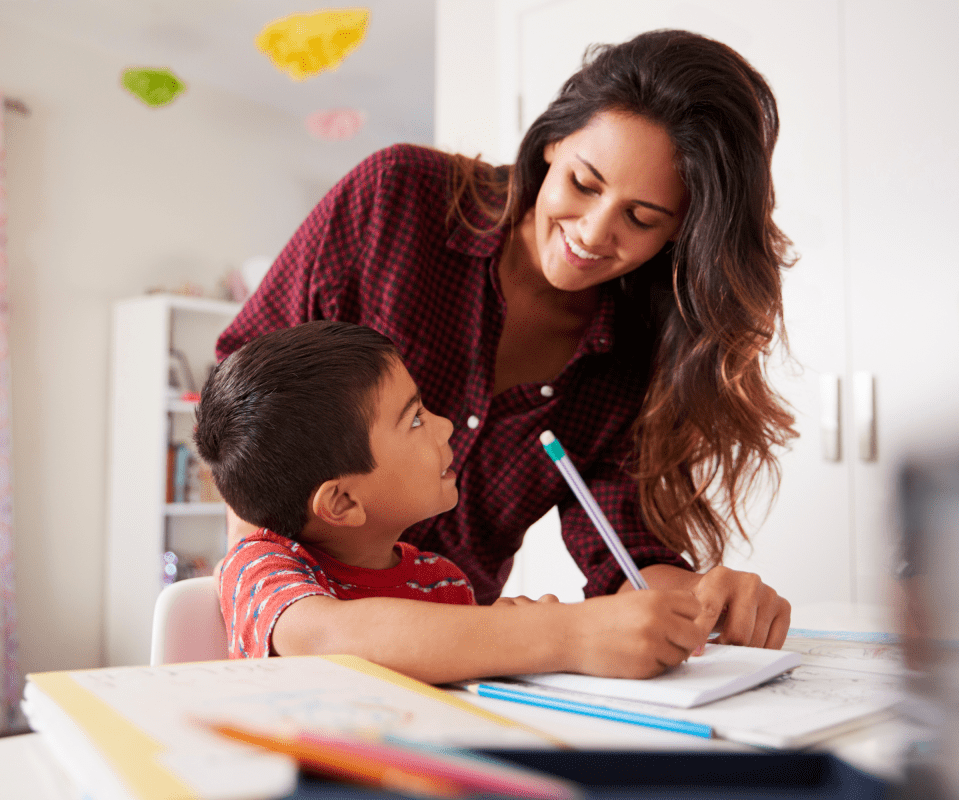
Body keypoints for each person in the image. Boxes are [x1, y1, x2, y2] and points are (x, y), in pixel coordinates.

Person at [217, 29, 796, 650]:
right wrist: (259, 597)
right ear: (551, 143)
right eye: (584, 183)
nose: (595, 233)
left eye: (642, 218)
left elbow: (624, 555)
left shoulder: (637, 350)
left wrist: (699, 601)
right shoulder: (397, 199)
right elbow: (252, 399)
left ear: (681, 233)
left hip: (460, 659)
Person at [195, 320, 709, 684]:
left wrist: (502, 642)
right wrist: (561, 634)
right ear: (344, 501)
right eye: (415, 419)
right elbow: (329, 635)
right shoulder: (261, 566)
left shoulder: (441, 582)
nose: (444, 426)